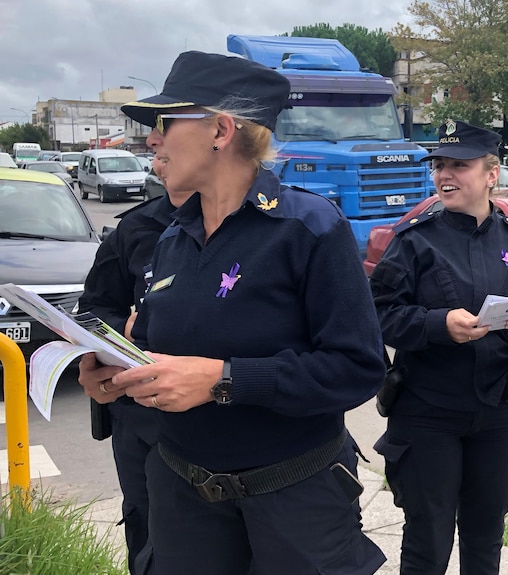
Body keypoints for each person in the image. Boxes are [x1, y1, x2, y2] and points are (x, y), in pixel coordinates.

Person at [77, 50, 386, 575]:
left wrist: (223, 379)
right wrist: (115, 372)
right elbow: (157, 355)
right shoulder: (173, 237)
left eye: (164, 122)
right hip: (182, 500)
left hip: (295, 507)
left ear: (220, 130)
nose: (151, 139)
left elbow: (357, 368)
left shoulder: (308, 228)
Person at [370, 119, 508, 575]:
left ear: (492, 174)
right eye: (439, 166)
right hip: (428, 413)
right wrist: (437, 325)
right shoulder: (413, 242)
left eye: (459, 165)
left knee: (485, 538)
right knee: (427, 544)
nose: (445, 175)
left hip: (499, 414)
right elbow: (375, 317)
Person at [76, 161, 193, 573]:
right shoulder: (136, 228)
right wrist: (106, 349)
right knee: (148, 538)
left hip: (225, 420)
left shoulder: (279, 225)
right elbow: (93, 308)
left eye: (168, 134)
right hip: (141, 422)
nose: (158, 156)